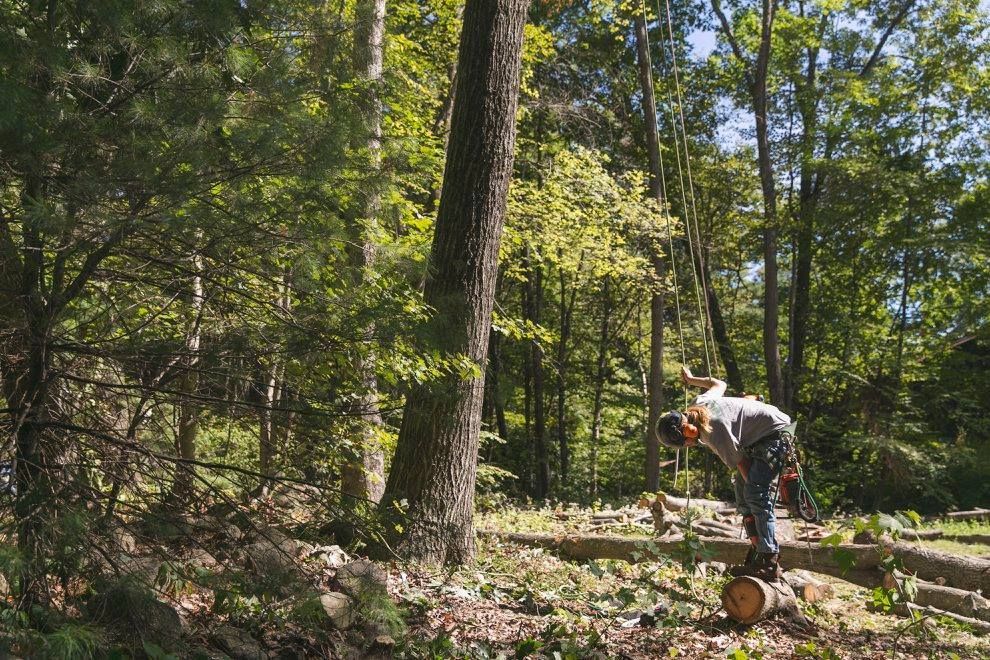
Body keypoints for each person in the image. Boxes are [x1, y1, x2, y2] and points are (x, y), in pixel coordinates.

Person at [656, 366, 793, 581]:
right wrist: (692, 380)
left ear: (688, 432)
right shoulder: (699, 404)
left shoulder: (714, 431)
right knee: (743, 496)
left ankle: (769, 559)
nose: (690, 445)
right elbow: (719, 384)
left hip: (778, 434)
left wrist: (759, 492)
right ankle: (758, 551)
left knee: (755, 494)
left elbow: (742, 465)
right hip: (759, 438)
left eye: (686, 443)